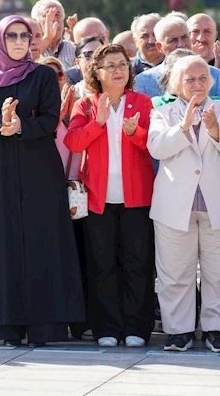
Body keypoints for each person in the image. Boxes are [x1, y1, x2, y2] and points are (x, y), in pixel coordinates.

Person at [0, 15, 85, 347]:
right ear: (2, 41)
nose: (20, 41)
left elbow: (50, 120)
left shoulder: (44, 75)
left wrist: (19, 126)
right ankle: (6, 327)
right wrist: (0, 127)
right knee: (2, 244)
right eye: (13, 36)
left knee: (42, 241)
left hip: (38, 169)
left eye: (25, 36)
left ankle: (44, 326)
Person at [64, 44, 156, 348]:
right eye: (110, 66)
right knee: (101, 264)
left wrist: (136, 134)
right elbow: (74, 142)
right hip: (97, 199)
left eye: (122, 65)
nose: (118, 71)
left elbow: (154, 146)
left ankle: (137, 328)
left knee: (137, 264)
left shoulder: (143, 102)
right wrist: (98, 122)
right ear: (97, 73)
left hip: (137, 199)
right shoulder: (86, 104)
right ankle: (106, 327)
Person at [147, 55, 220, 353]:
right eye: (190, 79)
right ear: (178, 83)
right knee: (175, 273)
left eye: (202, 78)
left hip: (214, 203)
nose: (197, 84)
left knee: (217, 271)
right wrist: (184, 126)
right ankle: (179, 331)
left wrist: (215, 131)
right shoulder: (162, 111)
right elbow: (156, 146)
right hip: (175, 205)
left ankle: (215, 329)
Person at [135, 16, 220, 97]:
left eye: (184, 37)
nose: (181, 44)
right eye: (173, 40)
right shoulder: (143, 82)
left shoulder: (216, 76)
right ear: (159, 47)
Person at [31, 0, 76, 69]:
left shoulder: (74, 49)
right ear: (37, 22)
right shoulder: (30, 48)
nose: (54, 19)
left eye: (57, 15)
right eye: (47, 15)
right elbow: (28, 66)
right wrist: (47, 38)